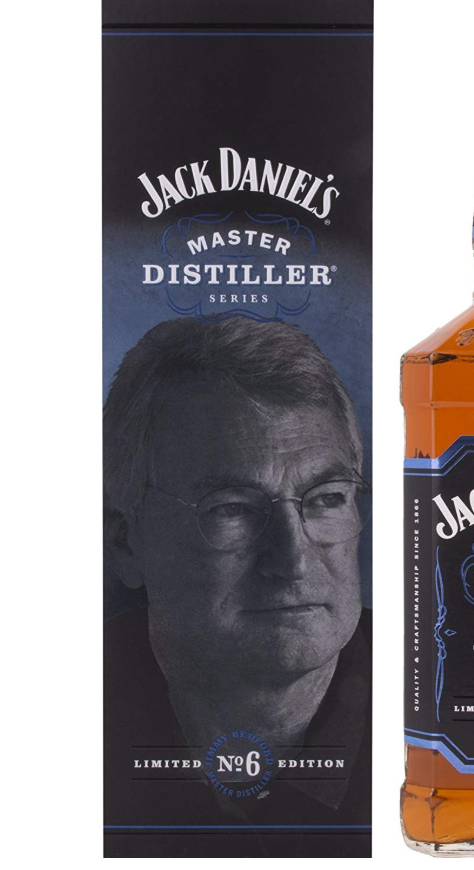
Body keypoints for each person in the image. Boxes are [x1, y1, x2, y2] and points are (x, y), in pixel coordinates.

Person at [103, 316, 371, 842]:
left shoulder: (433, 694)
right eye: (232, 509)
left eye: (327, 499)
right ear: (125, 542)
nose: (293, 559)